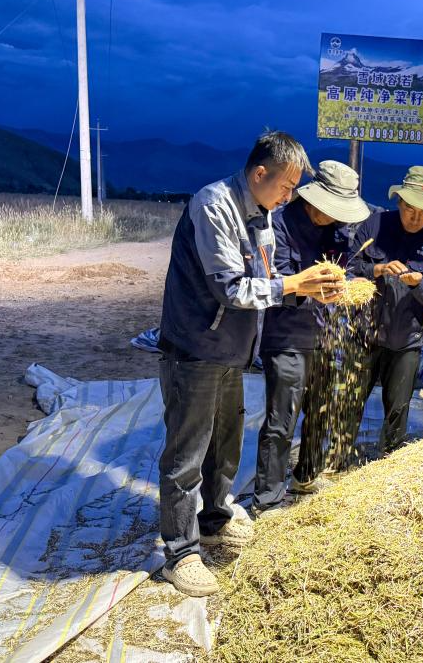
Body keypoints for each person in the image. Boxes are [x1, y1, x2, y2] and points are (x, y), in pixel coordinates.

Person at [157, 131, 343, 598]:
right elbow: (230, 288)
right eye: (287, 186)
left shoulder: (262, 214)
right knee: (187, 454)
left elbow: (267, 277)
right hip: (196, 347)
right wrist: (293, 285)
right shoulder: (214, 206)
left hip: (232, 349)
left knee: (225, 443)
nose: (289, 197)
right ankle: (180, 552)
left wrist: (306, 288)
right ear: (260, 173)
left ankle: (214, 519)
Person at [253, 160, 370, 516]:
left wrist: (351, 285)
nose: (334, 217)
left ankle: (306, 475)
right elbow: (274, 282)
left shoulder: (339, 232)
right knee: (282, 417)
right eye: (330, 209)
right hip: (286, 334)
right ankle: (269, 499)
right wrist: (310, 288)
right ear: (312, 199)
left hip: (324, 333)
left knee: (322, 408)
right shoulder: (279, 225)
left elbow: (348, 269)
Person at [341, 165, 423, 462]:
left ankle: (388, 464)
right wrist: (377, 269)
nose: (415, 218)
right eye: (410, 209)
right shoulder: (375, 226)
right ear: (399, 201)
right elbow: (349, 268)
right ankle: (337, 462)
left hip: (406, 340)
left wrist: (418, 284)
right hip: (364, 334)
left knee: (397, 410)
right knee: (348, 404)